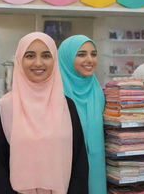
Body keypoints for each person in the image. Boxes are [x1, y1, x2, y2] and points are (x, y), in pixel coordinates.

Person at [0, 32, 88, 194]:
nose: (38, 63)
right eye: (30, 55)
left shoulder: (67, 106)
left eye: (46, 55)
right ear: (19, 60)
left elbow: (79, 163)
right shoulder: (5, 108)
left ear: (54, 60)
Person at [58, 35, 107, 194]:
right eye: (81, 54)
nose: (89, 59)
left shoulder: (98, 91)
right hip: (66, 172)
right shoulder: (57, 93)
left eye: (93, 54)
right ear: (66, 58)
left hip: (95, 172)